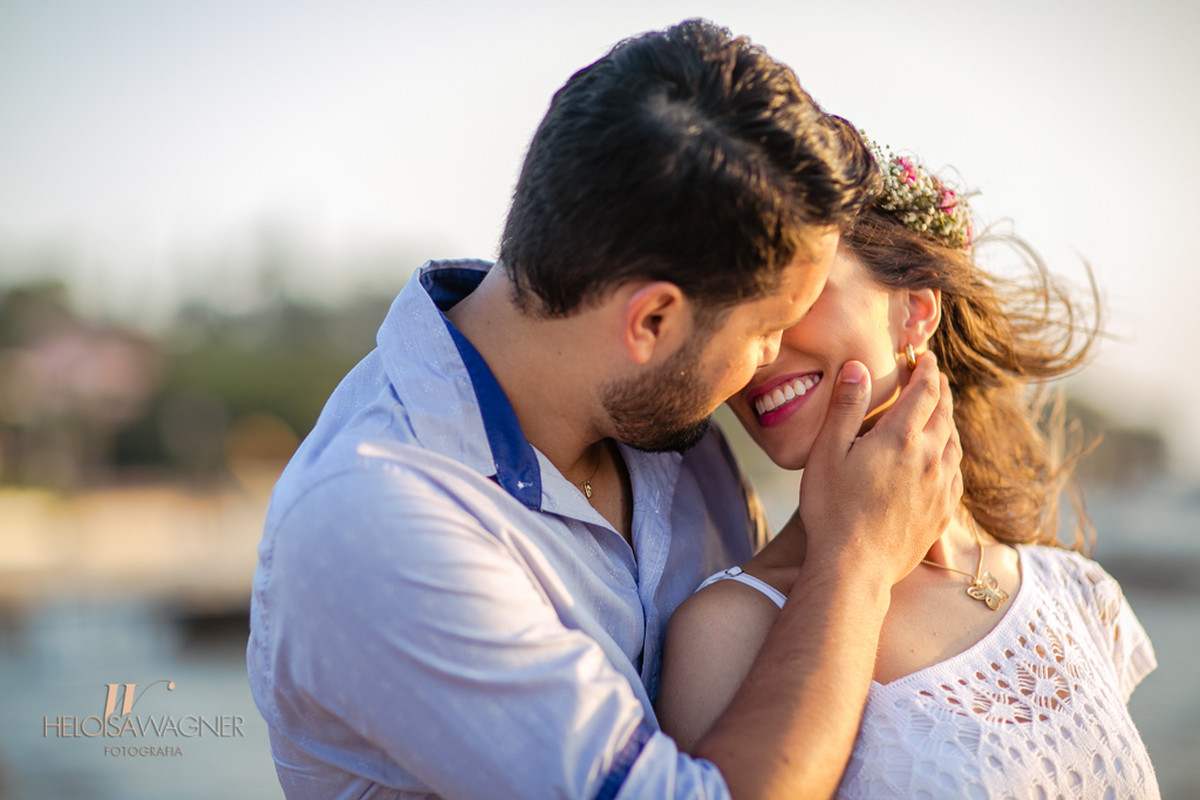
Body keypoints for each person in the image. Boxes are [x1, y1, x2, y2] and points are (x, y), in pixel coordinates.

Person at [247, 20, 964, 800]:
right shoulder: (376, 521)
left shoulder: (667, 430)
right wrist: (855, 561)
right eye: (763, 330)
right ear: (651, 322)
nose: (767, 362)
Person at [657, 136, 1161, 799]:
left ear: (915, 310)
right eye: (733, 315)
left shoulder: (1077, 593)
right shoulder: (729, 626)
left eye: (796, 297)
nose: (762, 348)